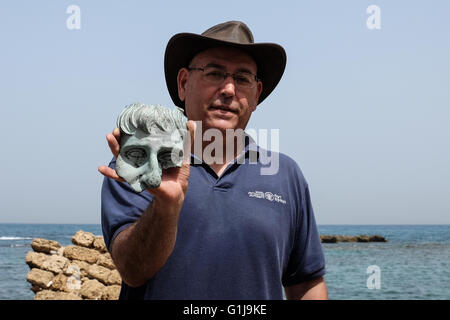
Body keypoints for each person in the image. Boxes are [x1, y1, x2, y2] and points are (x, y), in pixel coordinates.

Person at [98, 20, 328, 300]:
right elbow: (132, 271)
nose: (229, 89)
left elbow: (305, 283)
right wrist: (166, 206)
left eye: (243, 78)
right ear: (183, 83)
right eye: (214, 73)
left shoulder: (284, 174)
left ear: (256, 95)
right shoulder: (141, 165)